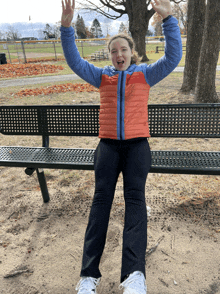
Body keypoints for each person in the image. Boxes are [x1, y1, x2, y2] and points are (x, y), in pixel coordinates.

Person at [60, 0, 182, 293]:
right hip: (108, 149)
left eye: (123, 49)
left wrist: (168, 19)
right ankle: (88, 276)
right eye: (113, 51)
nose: (118, 54)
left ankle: (134, 276)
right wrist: (66, 27)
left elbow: (173, 57)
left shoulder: (145, 74)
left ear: (131, 53)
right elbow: (75, 60)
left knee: (135, 204)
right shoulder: (101, 76)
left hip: (137, 148)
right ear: (110, 55)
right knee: (100, 205)